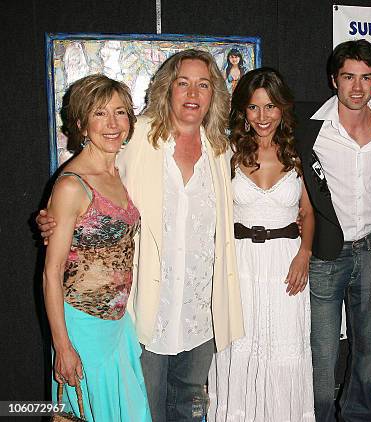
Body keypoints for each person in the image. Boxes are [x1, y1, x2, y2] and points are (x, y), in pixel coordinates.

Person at [38, 49, 244, 422]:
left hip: (199, 314)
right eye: (183, 83)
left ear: (214, 93)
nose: (192, 93)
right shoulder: (136, 139)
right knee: (140, 410)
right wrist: (50, 219)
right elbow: (81, 187)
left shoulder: (220, 149)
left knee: (190, 410)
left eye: (202, 85)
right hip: (145, 311)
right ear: (168, 88)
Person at [293, 39, 371, 422]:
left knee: (369, 348)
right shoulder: (308, 128)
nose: (357, 87)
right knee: (322, 354)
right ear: (333, 79)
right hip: (326, 254)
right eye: (349, 77)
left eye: (366, 78)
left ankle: (356, 415)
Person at [207, 67, 315, 421]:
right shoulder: (229, 153)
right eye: (254, 108)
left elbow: (309, 213)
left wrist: (304, 253)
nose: (262, 116)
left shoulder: (298, 154)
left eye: (270, 107)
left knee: (284, 349)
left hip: (287, 262)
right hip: (241, 263)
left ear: (282, 108)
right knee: (240, 349)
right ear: (243, 111)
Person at [43, 74, 151, 421]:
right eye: (100, 113)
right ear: (81, 123)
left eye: (120, 113)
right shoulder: (72, 185)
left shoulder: (117, 173)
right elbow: (51, 273)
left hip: (118, 325)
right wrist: (62, 345)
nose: (112, 123)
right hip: (82, 326)